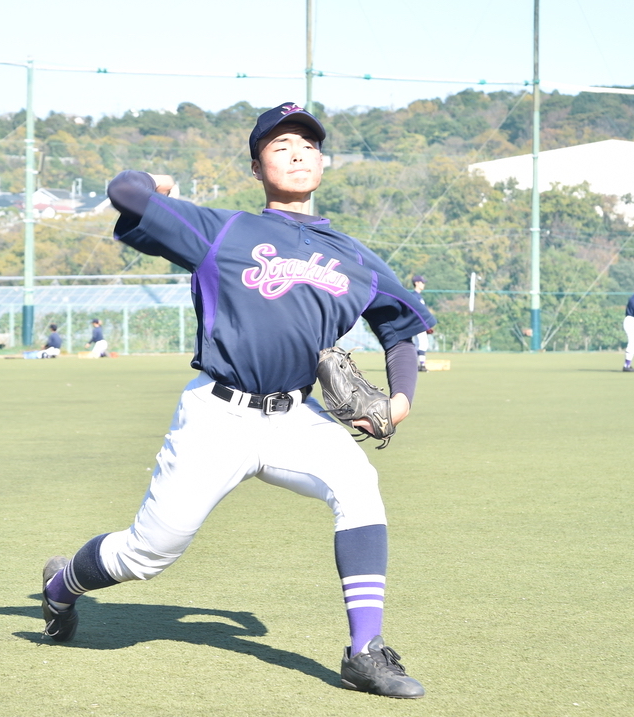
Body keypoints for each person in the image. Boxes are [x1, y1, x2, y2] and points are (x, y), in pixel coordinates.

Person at [39, 103, 435, 699]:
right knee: (148, 553)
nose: (297, 152)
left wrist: (400, 399)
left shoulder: (356, 259)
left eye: (307, 143)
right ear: (256, 167)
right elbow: (125, 191)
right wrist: (158, 187)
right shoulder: (224, 231)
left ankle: (365, 652)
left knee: (359, 486)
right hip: (217, 416)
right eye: (280, 147)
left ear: (323, 160)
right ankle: (62, 585)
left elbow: (401, 329)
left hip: (297, 416)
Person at [411, 275, 433, 372]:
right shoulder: (415, 296)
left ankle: (414, 365)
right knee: (423, 343)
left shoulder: (416, 296)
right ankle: (422, 365)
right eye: (422, 282)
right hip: (418, 323)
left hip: (415, 323)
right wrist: (425, 325)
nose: (423, 284)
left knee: (416, 344)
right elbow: (418, 312)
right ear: (417, 283)